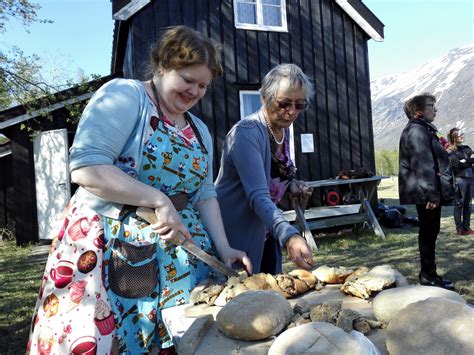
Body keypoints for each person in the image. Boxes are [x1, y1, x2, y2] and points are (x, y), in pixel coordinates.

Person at [28, 25, 251, 354]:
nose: (194, 92)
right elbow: (87, 167)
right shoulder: (125, 96)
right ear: (161, 66)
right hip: (109, 250)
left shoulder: (199, 129)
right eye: (187, 80)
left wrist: (224, 247)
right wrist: (157, 199)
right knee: (108, 338)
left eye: (203, 85)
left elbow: (204, 193)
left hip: (181, 258)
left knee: (183, 339)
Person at [215, 63, 315, 274]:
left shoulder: (281, 130)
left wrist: (291, 186)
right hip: (236, 234)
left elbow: (270, 175)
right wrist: (289, 234)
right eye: (284, 103)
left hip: (267, 230)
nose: (291, 112)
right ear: (264, 98)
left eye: (300, 105)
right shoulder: (247, 133)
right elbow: (258, 195)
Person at [398, 93, 455, 290]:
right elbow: (422, 164)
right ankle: (428, 276)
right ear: (418, 111)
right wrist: (431, 194)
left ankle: (429, 274)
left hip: (426, 191)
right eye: (432, 105)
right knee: (429, 233)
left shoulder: (423, 129)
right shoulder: (417, 131)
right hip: (426, 193)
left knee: (430, 232)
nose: (435, 109)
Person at [447, 127, 474, 235]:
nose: (462, 136)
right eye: (460, 134)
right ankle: (459, 229)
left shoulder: (467, 148)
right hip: (460, 179)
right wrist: (467, 162)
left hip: (471, 179)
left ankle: (466, 228)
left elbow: (472, 160)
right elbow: (457, 165)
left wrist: (466, 160)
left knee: (469, 205)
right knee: (459, 204)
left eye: (462, 134)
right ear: (454, 137)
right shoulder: (450, 151)